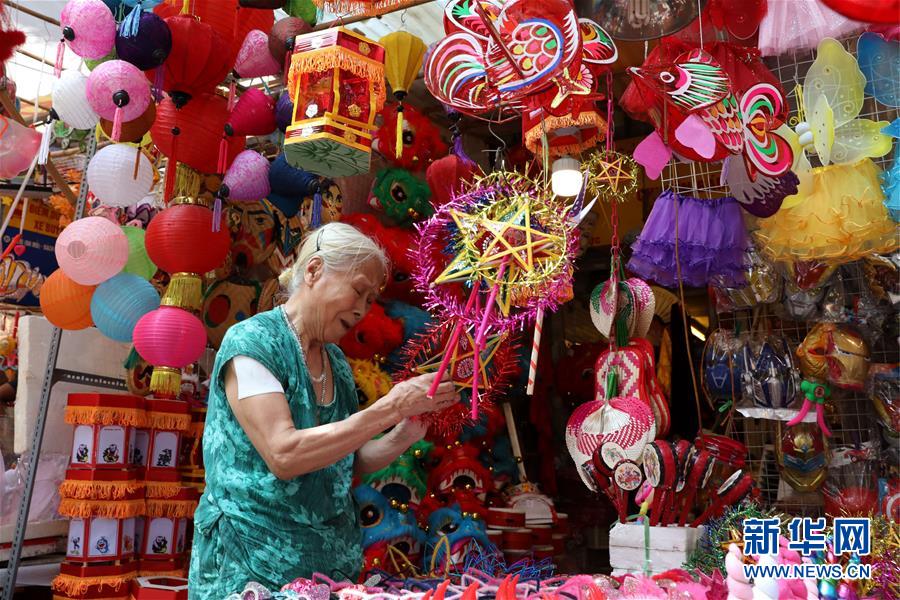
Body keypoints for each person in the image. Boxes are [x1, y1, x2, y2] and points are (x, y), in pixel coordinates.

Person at [188, 223, 459, 598]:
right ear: (314, 271)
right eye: (359, 291)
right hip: (251, 564)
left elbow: (346, 461)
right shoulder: (253, 342)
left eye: (370, 300)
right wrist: (389, 407)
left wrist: (404, 432)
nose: (363, 309)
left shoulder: (336, 361)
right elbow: (284, 453)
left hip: (328, 571)